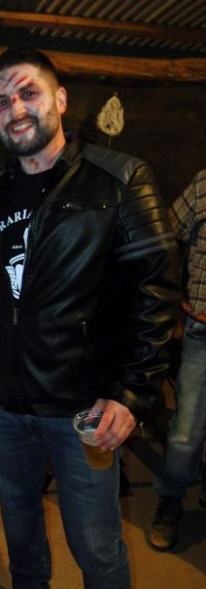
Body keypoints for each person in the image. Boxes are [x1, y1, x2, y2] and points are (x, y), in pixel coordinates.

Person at [0, 47, 180, 588]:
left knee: (96, 548)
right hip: (4, 405)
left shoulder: (121, 177)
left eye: (28, 93)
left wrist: (132, 393)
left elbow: (157, 291)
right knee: (20, 538)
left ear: (61, 99)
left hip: (83, 408)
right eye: (1, 102)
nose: (15, 110)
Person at [146, 169, 206, 551]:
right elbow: (165, 236)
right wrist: (175, 297)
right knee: (187, 430)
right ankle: (171, 499)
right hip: (203, 330)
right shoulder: (203, 184)